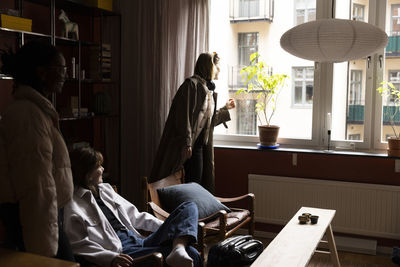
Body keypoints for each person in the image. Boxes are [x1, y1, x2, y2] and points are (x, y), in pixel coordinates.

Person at [65, 147, 202, 267]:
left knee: (189, 206)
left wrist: (171, 227)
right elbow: (78, 244)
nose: (103, 169)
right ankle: (179, 249)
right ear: (87, 174)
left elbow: (136, 216)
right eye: (98, 166)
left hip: (139, 241)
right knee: (192, 253)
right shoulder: (73, 205)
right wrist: (109, 258)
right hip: (123, 252)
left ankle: (178, 247)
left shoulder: (105, 190)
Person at [0, 41, 74, 260]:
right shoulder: (28, 116)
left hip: (46, 221)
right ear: (41, 72)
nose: (64, 75)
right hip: (39, 226)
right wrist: (44, 255)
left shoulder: (36, 111)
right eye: (60, 69)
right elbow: (38, 188)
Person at [150, 52, 235, 192]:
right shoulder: (191, 86)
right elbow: (183, 117)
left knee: (199, 186)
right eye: (217, 66)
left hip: (200, 149)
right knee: (191, 187)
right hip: (190, 149)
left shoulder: (207, 90)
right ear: (209, 66)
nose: (219, 70)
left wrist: (225, 109)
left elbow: (207, 122)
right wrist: (187, 142)